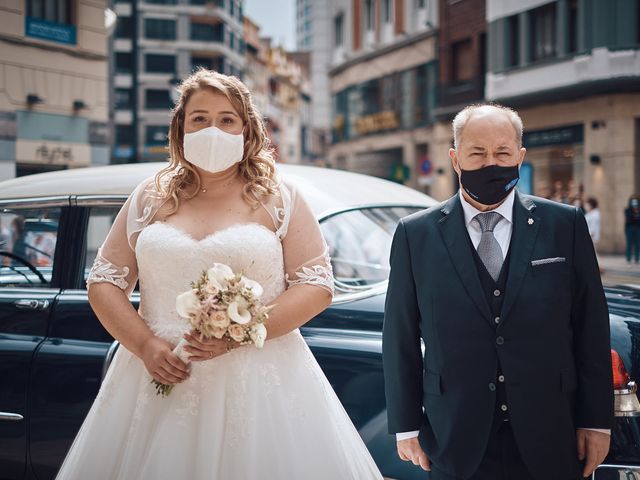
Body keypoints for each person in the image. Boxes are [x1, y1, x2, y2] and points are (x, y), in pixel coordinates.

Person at [55, 69, 383, 480]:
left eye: (227, 119)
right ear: (181, 128)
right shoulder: (149, 196)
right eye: (200, 119)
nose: (214, 129)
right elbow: (105, 281)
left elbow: (315, 285)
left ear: (247, 130)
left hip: (261, 379)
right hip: (158, 370)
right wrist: (144, 345)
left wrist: (239, 334)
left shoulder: (280, 197)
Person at [383, 104, 613, 480]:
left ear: (520, 157)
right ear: (456, 159)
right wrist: (406, 426)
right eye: (477, 153)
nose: (491, 163)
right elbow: (399, 335)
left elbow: (590, 326)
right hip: (454, 435)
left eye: (502, 153)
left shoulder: (565, 225)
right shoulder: (415, 235)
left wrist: (596, 420)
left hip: (552, 433)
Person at [625, 195, 640, 264]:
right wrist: (635, 214)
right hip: (630, 228)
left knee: (637, 243)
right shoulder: (627, 210)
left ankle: (637, 258)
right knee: (629, 243)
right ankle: (628, 258)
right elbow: (629, 219)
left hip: (638, 228)